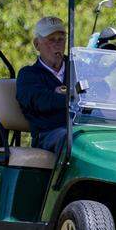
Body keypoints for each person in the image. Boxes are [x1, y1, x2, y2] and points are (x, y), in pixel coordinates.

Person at [16, 17, 70, 153]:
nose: (57, 45)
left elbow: (101, 89)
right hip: (49, 134)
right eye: (51, 40)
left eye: (61, 39)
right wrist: (73, 97)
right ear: (37, 44)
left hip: (80, 129)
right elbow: (41, 101)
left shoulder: (78, 68)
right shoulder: (29, 74)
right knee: (70, 139)